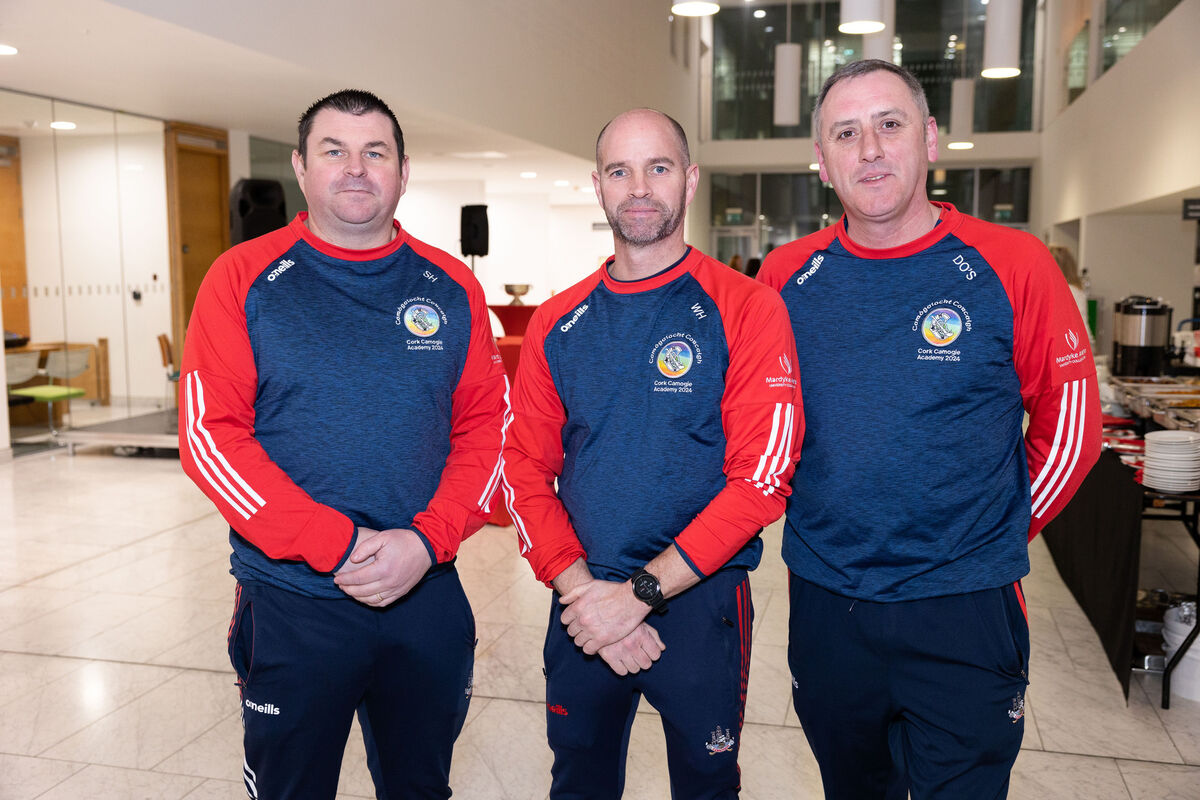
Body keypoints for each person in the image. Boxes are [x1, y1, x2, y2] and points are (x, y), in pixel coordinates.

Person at [758, 60, 1100, 799]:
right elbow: (762, 424)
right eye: (845, 133)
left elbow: (1072, 424)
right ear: (822, 161)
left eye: (890, 124)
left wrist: (993, 532)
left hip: (964, 607)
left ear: (931, 139)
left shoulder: (1013, 263)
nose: (870, 149)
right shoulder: (784, 277)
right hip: (827, 603)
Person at [178, 89, 508, 799]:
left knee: (420, 787)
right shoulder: (242, 279)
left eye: (374, 152)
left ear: (403, 170)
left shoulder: (452, 287)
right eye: (334, 151)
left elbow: (488, 430)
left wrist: (425, 541)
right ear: (301, 165)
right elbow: (212, 437)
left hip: (427, 593)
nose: (355, 169)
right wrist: (334, 541)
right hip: (293, 599)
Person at [504, 108, 802, 798]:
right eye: (620, 170)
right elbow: (521, 469)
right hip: (580, 600)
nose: (639, 187)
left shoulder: (748, 308)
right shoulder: (557, 321)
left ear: (690, 180)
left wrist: (640, 595)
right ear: (598, 185)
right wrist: (587, 595)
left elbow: (761, 480)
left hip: (701, 604)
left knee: (705, 781)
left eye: (658, 168)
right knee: (578, 780)